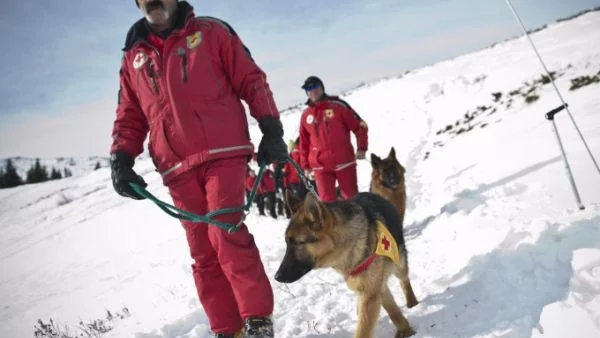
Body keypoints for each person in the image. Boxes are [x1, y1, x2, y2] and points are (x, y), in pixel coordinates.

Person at [109, 1, 288, 337]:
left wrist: (270, 127)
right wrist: (121, 157)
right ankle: (226, 329)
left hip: (223, 151)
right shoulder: (132, 56)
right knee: (202, 253)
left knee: (224, 230)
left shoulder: (211, 31)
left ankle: (257, 320)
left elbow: (250, 78)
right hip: (175, 167)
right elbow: (129, 112)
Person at [298, 76, 369, 202]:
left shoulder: (339, 106)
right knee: (328, 204)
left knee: (351, 200)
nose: (312, 91)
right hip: (320, 166)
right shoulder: (306, 115)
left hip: (343, 162)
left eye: (315, 87)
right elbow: (304, 143)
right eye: (308, 89)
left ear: (322, 88)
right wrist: (306, 166)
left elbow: (360, 127)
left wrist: (361, 148)